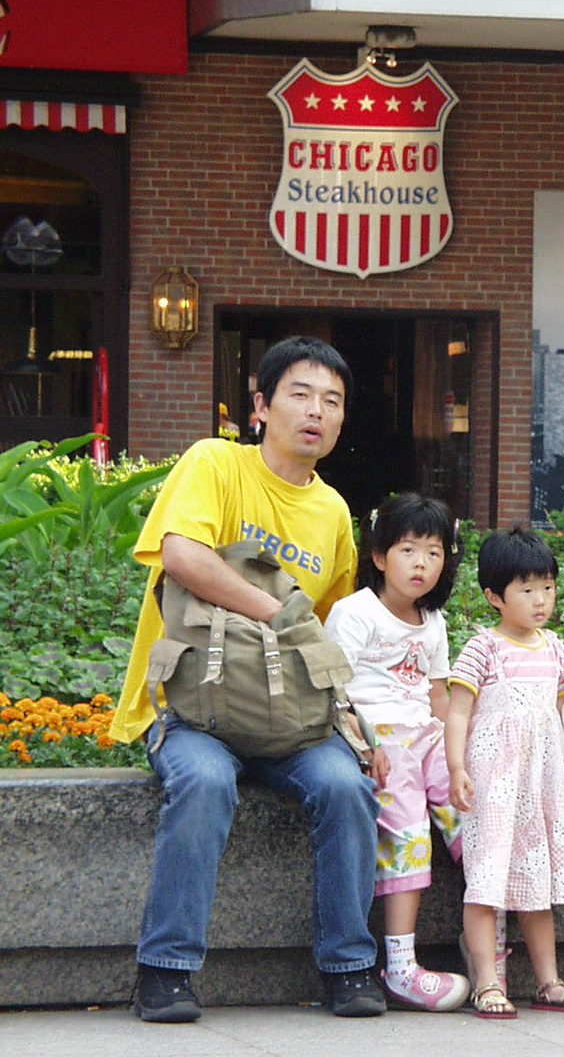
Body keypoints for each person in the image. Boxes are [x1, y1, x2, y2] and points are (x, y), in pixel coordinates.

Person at [111, 337, 384, 1022]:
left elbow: (328, 637)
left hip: (289, 722)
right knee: (203, 782)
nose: (316, 411)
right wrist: (277, 610)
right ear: (260, 406)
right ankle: (165, 971)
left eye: (332, 401)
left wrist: (351, 721)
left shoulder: (332, 516)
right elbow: (180, 554)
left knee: (347, 788)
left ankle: (349, 967)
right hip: (194, 712)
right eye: (299, 393)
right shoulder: (215, 463)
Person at [445, 527, 564, 1018]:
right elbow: (458, 712)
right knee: (485, 881)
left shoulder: (554, 648)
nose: (541, 600)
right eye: (527, 589)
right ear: (494, 597)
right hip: (494, 783)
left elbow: (563, 715)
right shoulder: (483, 649)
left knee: (536, 884)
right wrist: (457, 767)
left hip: (540, 786)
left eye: (547, 587)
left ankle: (549, 981)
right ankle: (487, 983)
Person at [324, 493, 469, 1012]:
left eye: (434, 553)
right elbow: (332, 691)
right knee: (408, 832)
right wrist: (365, 745)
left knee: (471, 815)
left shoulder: (433, 621)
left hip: (425, 736)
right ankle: (401, 967)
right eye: (409, 550)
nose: (422, 564)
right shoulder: (354, 613)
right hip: (379, 740)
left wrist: (462, 757)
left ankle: (487, 950)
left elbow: (438, 697)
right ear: (381, 556)